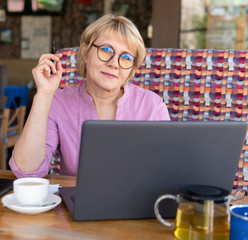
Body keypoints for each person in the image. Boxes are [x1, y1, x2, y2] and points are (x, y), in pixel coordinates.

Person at [9, 14, 170, 178]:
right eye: (106, 50)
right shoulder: (59, 101)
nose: (114, 64)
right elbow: (26, 170)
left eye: (126, 57)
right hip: (76, 201)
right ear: (85, 52)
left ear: (132, 67)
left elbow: (167, 171)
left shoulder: (153, 106)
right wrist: (44, 94)